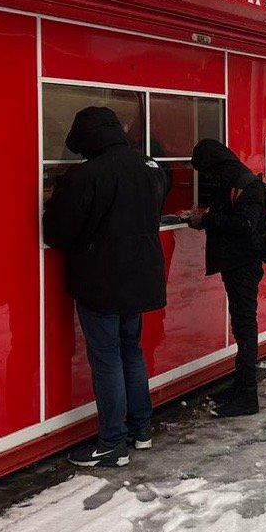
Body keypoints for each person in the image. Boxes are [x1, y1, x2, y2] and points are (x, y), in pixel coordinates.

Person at [42, 106, 170, 468]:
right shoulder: (149, 167)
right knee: (132, 351)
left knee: (107, 357)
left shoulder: (86, 175)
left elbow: (57, 232)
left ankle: (112, 442)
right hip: (140, 278)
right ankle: (141, 430)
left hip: (101, 280)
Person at [186, 139, 266, 418]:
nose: (204, 176)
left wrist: (205, 220)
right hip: (236, 265)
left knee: (245, 328)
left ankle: (248, 396)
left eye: (203, 170)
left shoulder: (245, 183)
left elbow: (245, 225)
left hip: (244, 266)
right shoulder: (231, 178)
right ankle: (240, 387)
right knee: (242, 327)